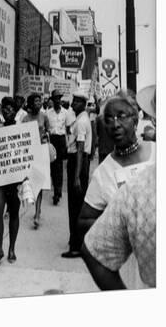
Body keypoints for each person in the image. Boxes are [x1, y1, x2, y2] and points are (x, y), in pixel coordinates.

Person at [81, 84, 156, 290]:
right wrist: (121, 227)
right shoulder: (103, 173)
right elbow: (84, 221)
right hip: (129, 268)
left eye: (121, 116)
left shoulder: (157, 153)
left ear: (135, 118)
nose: (115, 124)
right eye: (109, 119)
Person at [0, 97, 22, 269]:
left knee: (14, 213)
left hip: (15, 179)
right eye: (5, 109)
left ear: (15, 111)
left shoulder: (22, 130)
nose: (8, 111)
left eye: (11, 108)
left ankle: (12, 248)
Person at [61, 91, 92, 258]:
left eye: (76, 102)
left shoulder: (81, 122)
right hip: (81, 162)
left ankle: (76, 246)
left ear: (83, 103)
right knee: (78, 205)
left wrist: (76, 177)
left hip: (77, 162)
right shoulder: (81, 119)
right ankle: (78, 240)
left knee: (75, 207)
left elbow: (80, 150)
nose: (73, 104)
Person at [25, 93, 50, 229]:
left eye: (39, 101)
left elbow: (48, 130)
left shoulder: (44, 116)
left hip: (41, 152)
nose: (39, 103)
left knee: (39, 182)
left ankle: (37, 213)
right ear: (30, 103)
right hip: (29, 153)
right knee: (30, 182)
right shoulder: (25, 118)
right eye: (35, 101)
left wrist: (46, 136)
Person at [46, 89, 68, 205]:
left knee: (59, 166)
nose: (57, 100)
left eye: (59, 98)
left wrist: (67, 144)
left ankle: (58, 191)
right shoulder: (48, 113)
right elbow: (46, 128)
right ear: (52, 100)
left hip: (61, 140)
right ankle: (56, 189)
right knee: (53, 165)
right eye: (55, 98)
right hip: (52, 139)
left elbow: (68, 129)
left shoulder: (66, 112)